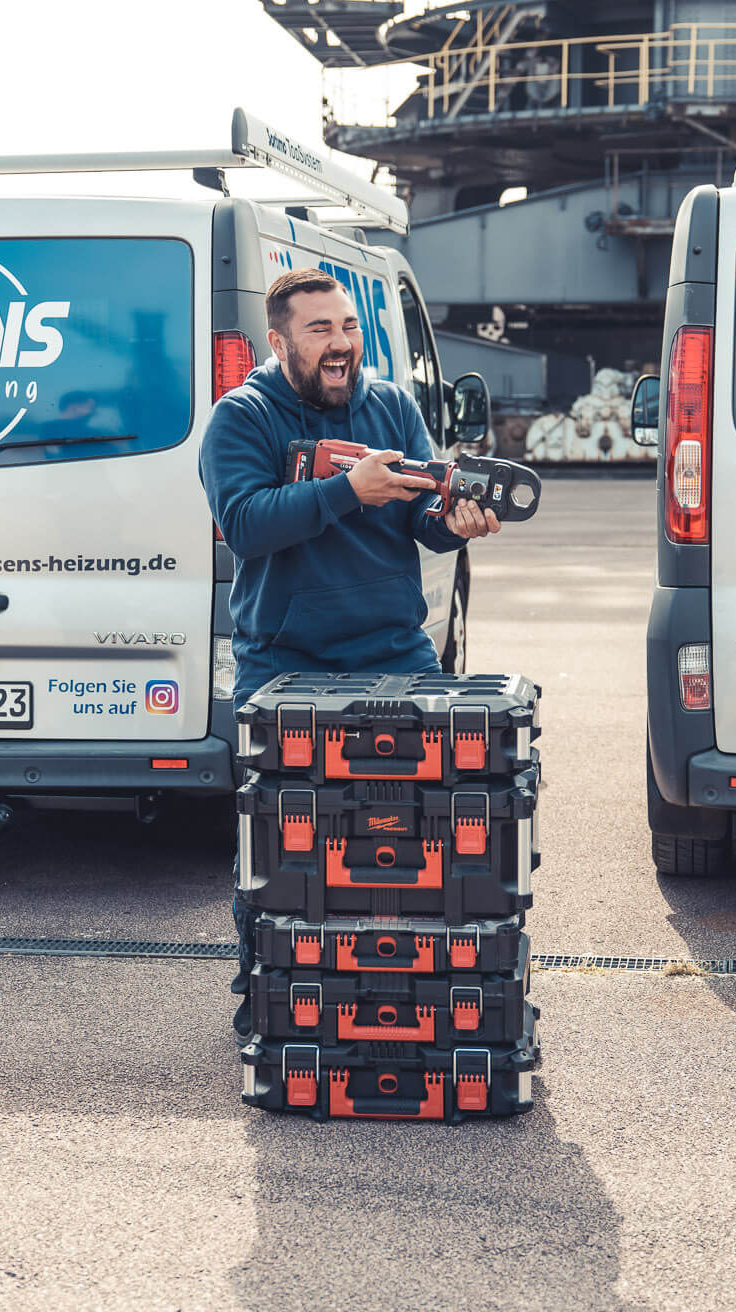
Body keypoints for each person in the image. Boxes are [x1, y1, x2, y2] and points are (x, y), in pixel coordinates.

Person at [200, 268, 503, 1029]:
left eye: (347, 327)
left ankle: (412, 987)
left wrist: (454, 524)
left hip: (395, 653)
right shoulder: (242, 417)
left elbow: (423, 519)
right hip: (284, 662)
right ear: (278, 343)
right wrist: (346, 491)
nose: (340, 345)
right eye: (319, 330)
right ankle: (268, 984)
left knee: (419, 831)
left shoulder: (392, 405)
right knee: (279, 840)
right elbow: (244, 526)